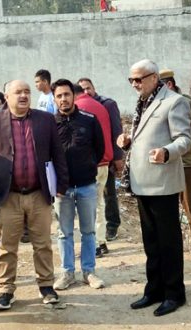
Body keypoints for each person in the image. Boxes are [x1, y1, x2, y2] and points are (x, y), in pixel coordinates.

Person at [0, 80, 68, 311]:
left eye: (27, 92)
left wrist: (61, 185)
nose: (23, 96)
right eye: (18, 92)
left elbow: (58, 153)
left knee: (43, 244)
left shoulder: (45, 120)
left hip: (39, 194)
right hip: (8, 196)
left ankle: (47, 287)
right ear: (6, 97)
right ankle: (6, 290)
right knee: (7, 247)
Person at [117, 59, 191, 316]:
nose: (135, 84)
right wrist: (128, 142)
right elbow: (143, 136)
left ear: (154, 77)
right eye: (131, 80)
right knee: (151, 241)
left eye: (139, 79)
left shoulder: (173, 101)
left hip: (163, 183)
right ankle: (154, 290)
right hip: (141, 182)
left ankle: (174, 294)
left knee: (168, 242)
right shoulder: (143, 102)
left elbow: (185, 139)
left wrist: (167, 151)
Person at [52, 79, 106, 291]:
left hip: (86, 185)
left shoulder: (89, 120)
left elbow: (99, 149)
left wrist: (87, 166)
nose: (63, 99)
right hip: (61, 189)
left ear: (74, 96)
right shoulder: (49, 123)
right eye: (59, 96)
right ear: (54, 99)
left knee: (88, 231)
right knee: (64, 232)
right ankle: (67, 273)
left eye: (66, 94)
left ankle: (89, 271)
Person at [159, 69, 191, 256]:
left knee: (190, 203)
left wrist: (187, 151)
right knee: (166, 205)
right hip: (163, 163)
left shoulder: (188, 103)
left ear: (169, 84)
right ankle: (173, 242)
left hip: (184, 162)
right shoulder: (156, 105)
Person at [77, 78, 124, 242]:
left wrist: (118, 157)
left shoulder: (107, 104)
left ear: (93, 88)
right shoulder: (82, 106)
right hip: (97, 158)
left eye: (88, 88)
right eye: (82, 89)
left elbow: (116, 131)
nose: (85, 92)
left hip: (107, 156)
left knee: (109, 194)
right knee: (99, 198)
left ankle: (112, 225)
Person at [73, 84, 113, 258]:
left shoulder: (79, 108)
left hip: (90, 164)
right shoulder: (99, 105)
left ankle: (96, 243)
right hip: (103, 161)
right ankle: (101, 241)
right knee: (98, 202)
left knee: (90, 205)